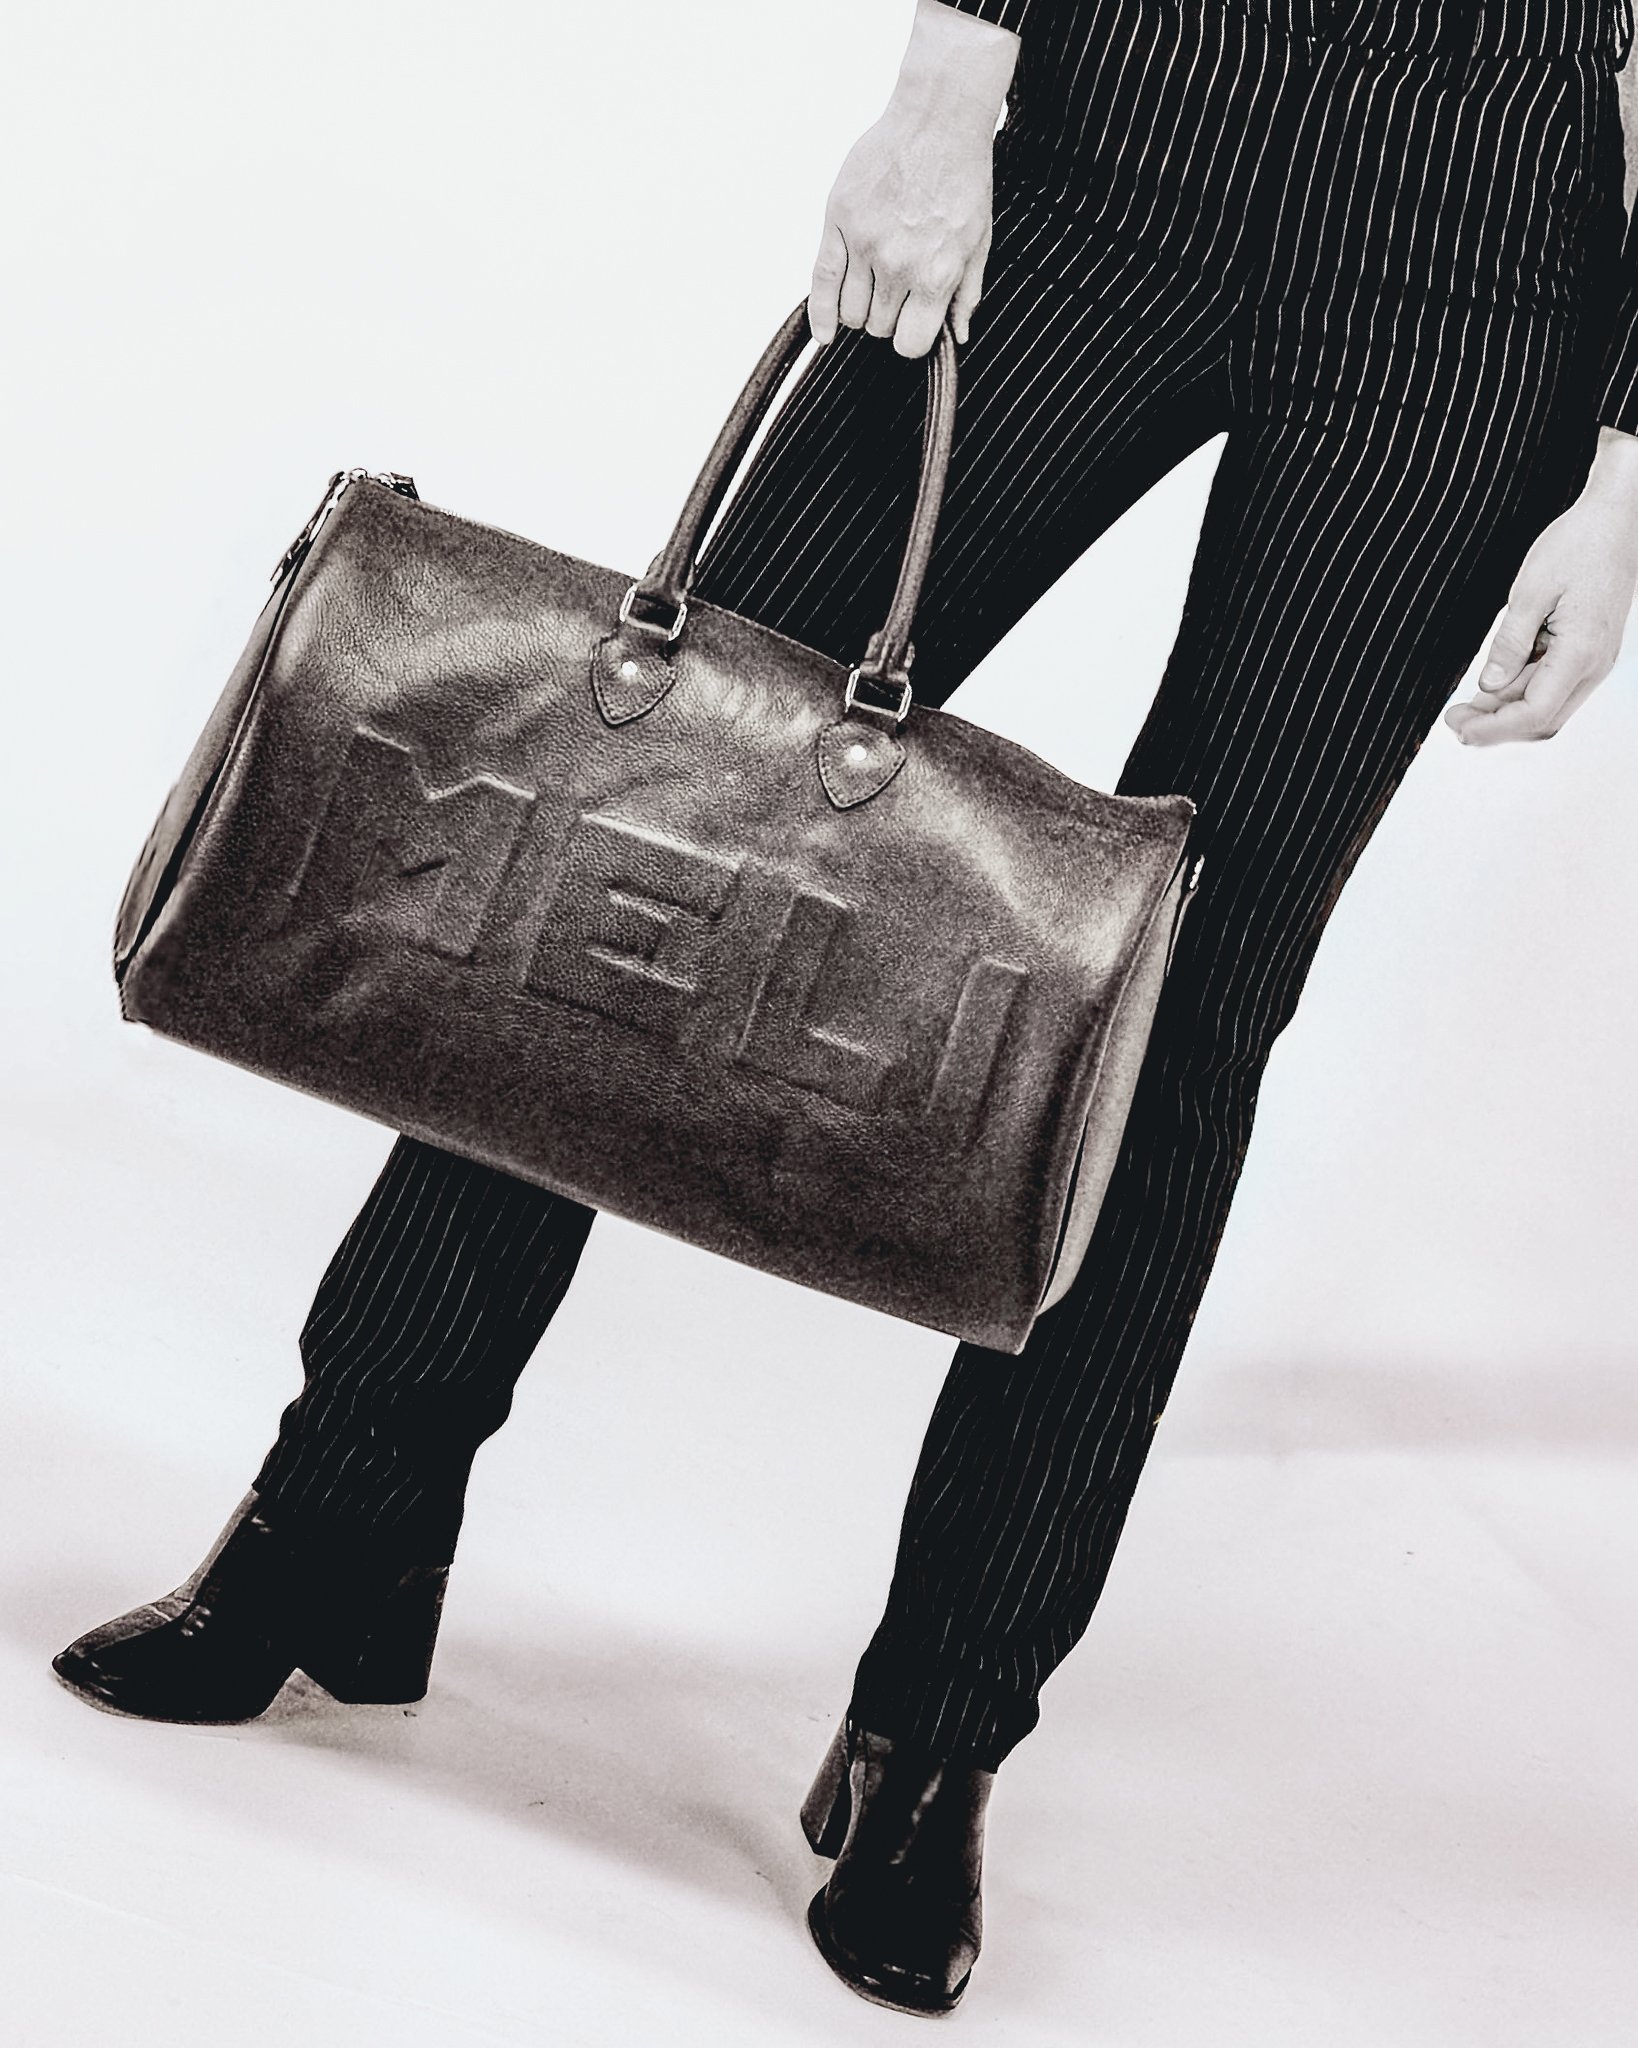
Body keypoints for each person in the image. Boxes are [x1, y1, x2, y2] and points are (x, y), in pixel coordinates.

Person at [53, 0, 1638, 2019]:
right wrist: (942, 88)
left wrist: (1626, 455)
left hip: (1481, 250)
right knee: (674, 793)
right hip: (1117, 113)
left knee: (1183, 1003)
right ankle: (343, 1502)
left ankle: (937, 1729)